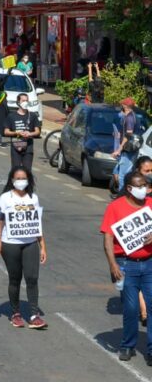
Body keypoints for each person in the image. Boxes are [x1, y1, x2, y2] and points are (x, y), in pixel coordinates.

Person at [102, 170, 152, 363]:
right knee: (131, 308)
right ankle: (127, 346)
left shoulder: (151, 204)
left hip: (149, 263)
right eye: (139, 186)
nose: (143, 189)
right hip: (126, 264)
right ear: (129, 188)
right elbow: (107, 237)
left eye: (145, 185)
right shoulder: (115, 207)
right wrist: (113, 264)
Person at [0, 167, 47, 330]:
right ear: (12, 180)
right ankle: (15, 313)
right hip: (10, 244)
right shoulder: (4, 198)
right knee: (15, 278)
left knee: (32, 278)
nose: (21, 181)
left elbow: (37, 224)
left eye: (24, 178)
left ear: (28, 180)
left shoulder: (33, 198)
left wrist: (42, 245)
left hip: (30, 243)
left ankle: (34, 315)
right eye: (17, 178)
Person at [4, 93, 41, 174]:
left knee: (27, 171)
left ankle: (28, 186)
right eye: (23, 100)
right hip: (16, 146)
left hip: (28, 147)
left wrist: (30, 134)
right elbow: (6, 132)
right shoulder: (11, 116)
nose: (25, 102)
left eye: (27, 101)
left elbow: (37, 131)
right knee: (15, 170)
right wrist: (16, 132)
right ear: (18, 102)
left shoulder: (32, 115)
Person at [113, 97, 142, 192]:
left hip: (129, 150)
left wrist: (119, 148)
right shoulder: (133, 116)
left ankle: (123, 196)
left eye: (123, 104)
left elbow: (129, 134)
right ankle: (121, 194)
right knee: (116, 172)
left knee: (123, 176)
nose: (121, 106)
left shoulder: (129, 117)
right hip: (129, 150)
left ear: (125, 106)